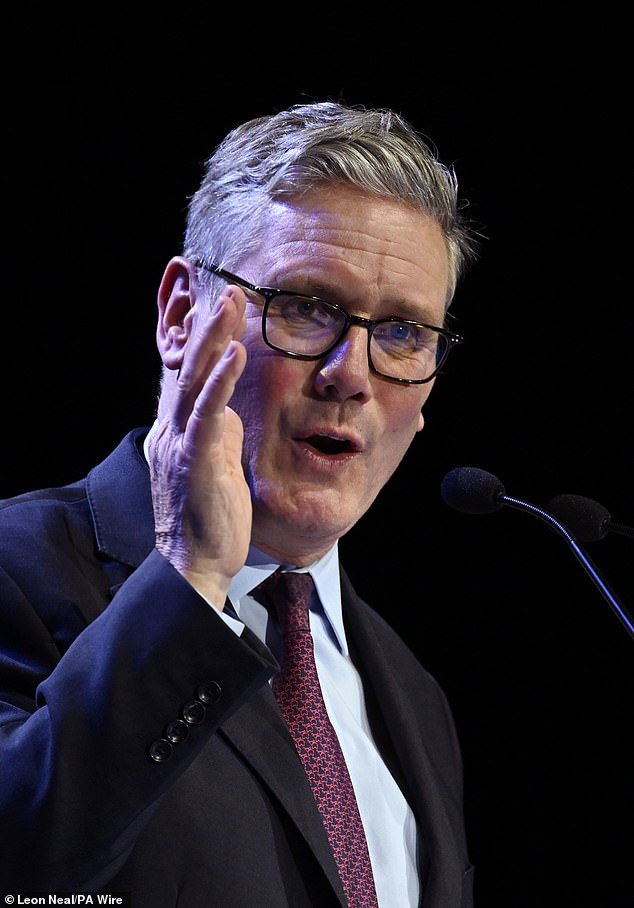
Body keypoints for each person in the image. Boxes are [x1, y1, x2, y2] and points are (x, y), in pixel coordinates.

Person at [0, 101, 478, 907]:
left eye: (402, 333)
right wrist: (191, 578)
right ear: (180, 315)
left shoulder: (414, 694)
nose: (350, 375)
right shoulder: (18, 571)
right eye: (307, 307)